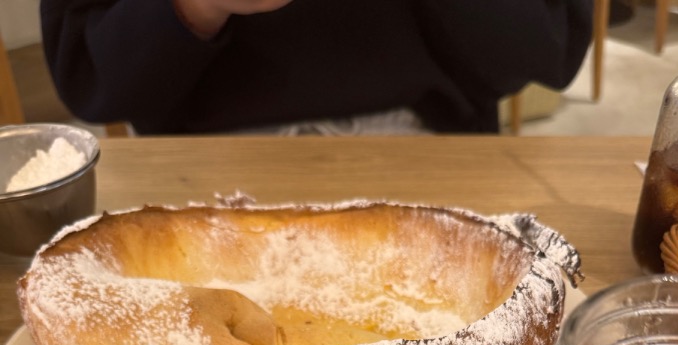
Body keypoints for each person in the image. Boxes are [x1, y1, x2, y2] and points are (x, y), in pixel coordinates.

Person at [39, 0, 594, 136]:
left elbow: (547, 47)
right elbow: (90, 74)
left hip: (434, 152)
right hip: (201, 169)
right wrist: (195, 6)